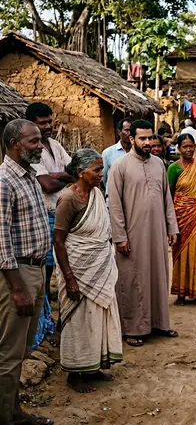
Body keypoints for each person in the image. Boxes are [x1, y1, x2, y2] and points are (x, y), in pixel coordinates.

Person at [0, 119, 53, 425]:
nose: (40, 146)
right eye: (34, 142)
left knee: (20, 351)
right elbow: (0, 239)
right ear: (14, 143)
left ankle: (15, 412)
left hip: (34, 271)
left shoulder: (29, 175)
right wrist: (17, 288)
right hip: (15, 276)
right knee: (8, 354)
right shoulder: (4, 181)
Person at [53, 149, 123, 394]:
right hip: (78, 271)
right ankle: (75, 373)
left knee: (99, 316)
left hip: (99, 266)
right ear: (81, 172)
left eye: (101, 169)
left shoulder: (96, 193)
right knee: (78, 320)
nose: (100, 174)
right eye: (96, 170)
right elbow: (59, 241)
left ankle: (94, 366)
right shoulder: (68, 200)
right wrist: (70, 279)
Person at [108, 120, 179, 347]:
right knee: (132, 279)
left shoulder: (159, 164)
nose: (148, 142)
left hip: (157, 232)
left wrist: (172, 227)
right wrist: (119, 236)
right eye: (143, 138)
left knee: (158, 275)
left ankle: (159, 323)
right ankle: (133, 328)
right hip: (132, 234)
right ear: (132, 139)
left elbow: (167, 198)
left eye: (150, 138)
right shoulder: (119, 167)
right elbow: (115, 205)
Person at [26, 103, 73, 349]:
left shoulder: (55, 146)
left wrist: (60, 176)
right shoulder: (32, 153)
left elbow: (74, 169)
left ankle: (62, 320)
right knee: (43, 274)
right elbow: (48, 185)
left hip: (63, 217)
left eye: (49, 122)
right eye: (42, 123)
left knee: (65, 270)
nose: (48, 127)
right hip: (44, 218)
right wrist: (63, 176)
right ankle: (44, 325)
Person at [168, 134, 196, 305]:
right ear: (179, 148)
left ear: (195, 147)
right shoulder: (173, 168)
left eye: (191, 146)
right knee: (182, 253)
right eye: (184, 146)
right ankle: (181, 294)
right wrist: (170, 220)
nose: (188, 150)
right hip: (181, 215)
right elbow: (169, 196)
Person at [102, 118, 132, 188]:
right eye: (127, 130)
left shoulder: (138, 153)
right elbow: (103, 178)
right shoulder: (108, 153)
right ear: (119, 132)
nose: (130, 133)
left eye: (131, 131)